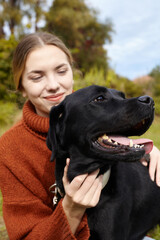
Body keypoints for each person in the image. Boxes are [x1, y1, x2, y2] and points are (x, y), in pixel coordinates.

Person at [0, 32, 159, 240]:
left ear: (72, 73)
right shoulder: (10, 149)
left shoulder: (94, 116)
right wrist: (72, 208)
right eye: (37, 76)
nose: (53, 85)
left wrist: (144, 149)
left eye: (61, 71)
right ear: (21, 87)